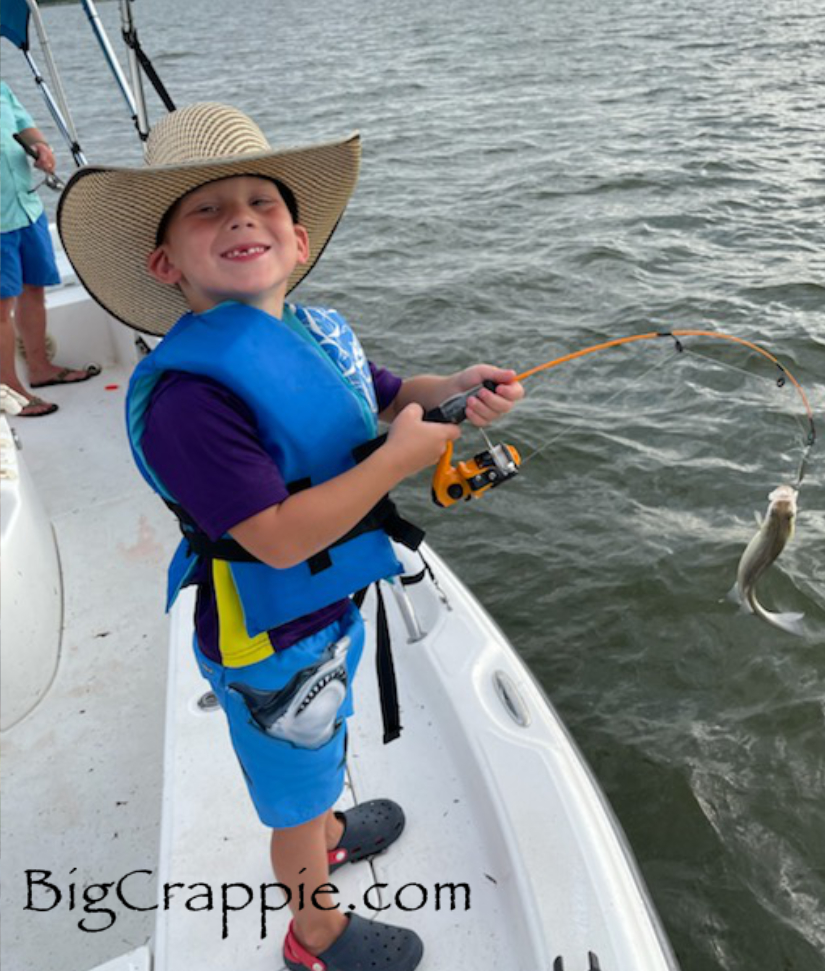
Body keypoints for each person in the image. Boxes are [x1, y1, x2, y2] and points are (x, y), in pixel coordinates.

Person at [57, 102, 523, 971]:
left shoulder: (318, 333)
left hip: (328, 604)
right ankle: (316, 931)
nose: (240, 215)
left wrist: (451, 385)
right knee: (292, 791)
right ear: (165, 263)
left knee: (325, 734)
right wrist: (393, 466)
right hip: (268, 632)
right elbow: (271, 539)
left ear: (298, 243)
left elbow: (390, 395)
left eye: (262, 202)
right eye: (206, 208)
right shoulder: (192, 400)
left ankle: (330, 826)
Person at [0, 81, 99, 416]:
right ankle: (10, 391)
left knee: (34, 289)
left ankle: (40, 368)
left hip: (26, 207)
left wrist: (41, 146)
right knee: (1, 310)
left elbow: (22, 123)